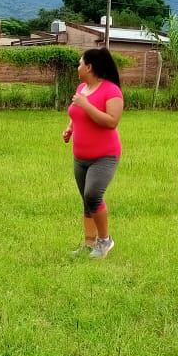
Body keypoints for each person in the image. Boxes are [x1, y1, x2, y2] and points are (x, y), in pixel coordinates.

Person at [61, 48, 124, 259]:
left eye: (80, 63)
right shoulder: (82, 88)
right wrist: (70, 127)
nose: (77, 67)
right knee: (86, 200)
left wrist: (86, 105)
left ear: (89, 67)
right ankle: (89, 244)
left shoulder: (111, 90)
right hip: (80, 156)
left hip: (104, 156)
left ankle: (105, 241)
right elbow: (76, 114)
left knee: (93, 195)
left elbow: (111, 121)